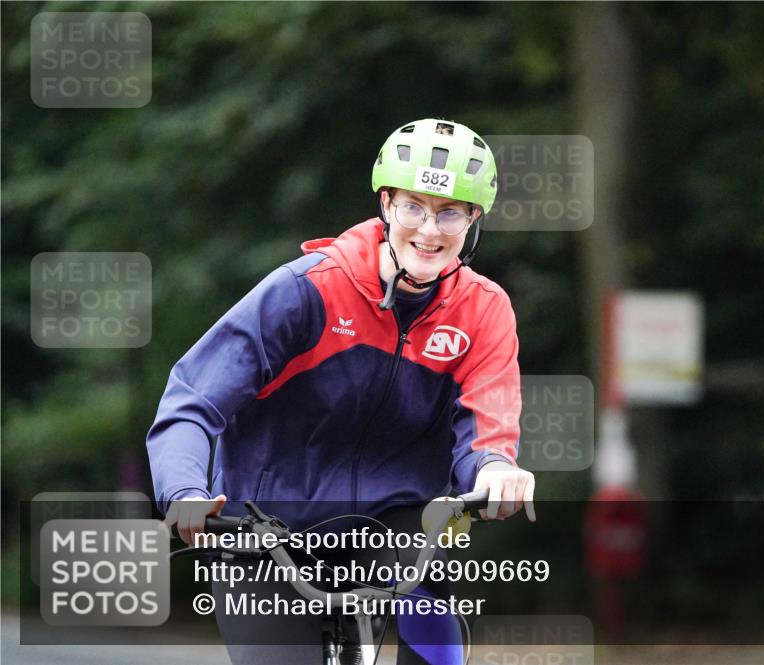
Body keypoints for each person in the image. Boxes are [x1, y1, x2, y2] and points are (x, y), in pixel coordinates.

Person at [146, 118, 534, 664]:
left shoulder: (484, 310)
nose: (429, 229)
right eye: (413, 207)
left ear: (474, 220)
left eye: (450, 211)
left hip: (394, 523)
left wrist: (495, 467)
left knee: (437, 635)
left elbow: (488, 422)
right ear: (385, 204)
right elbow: (193, 399)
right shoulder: (306, 290)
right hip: (265, 527)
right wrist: (184, 492)